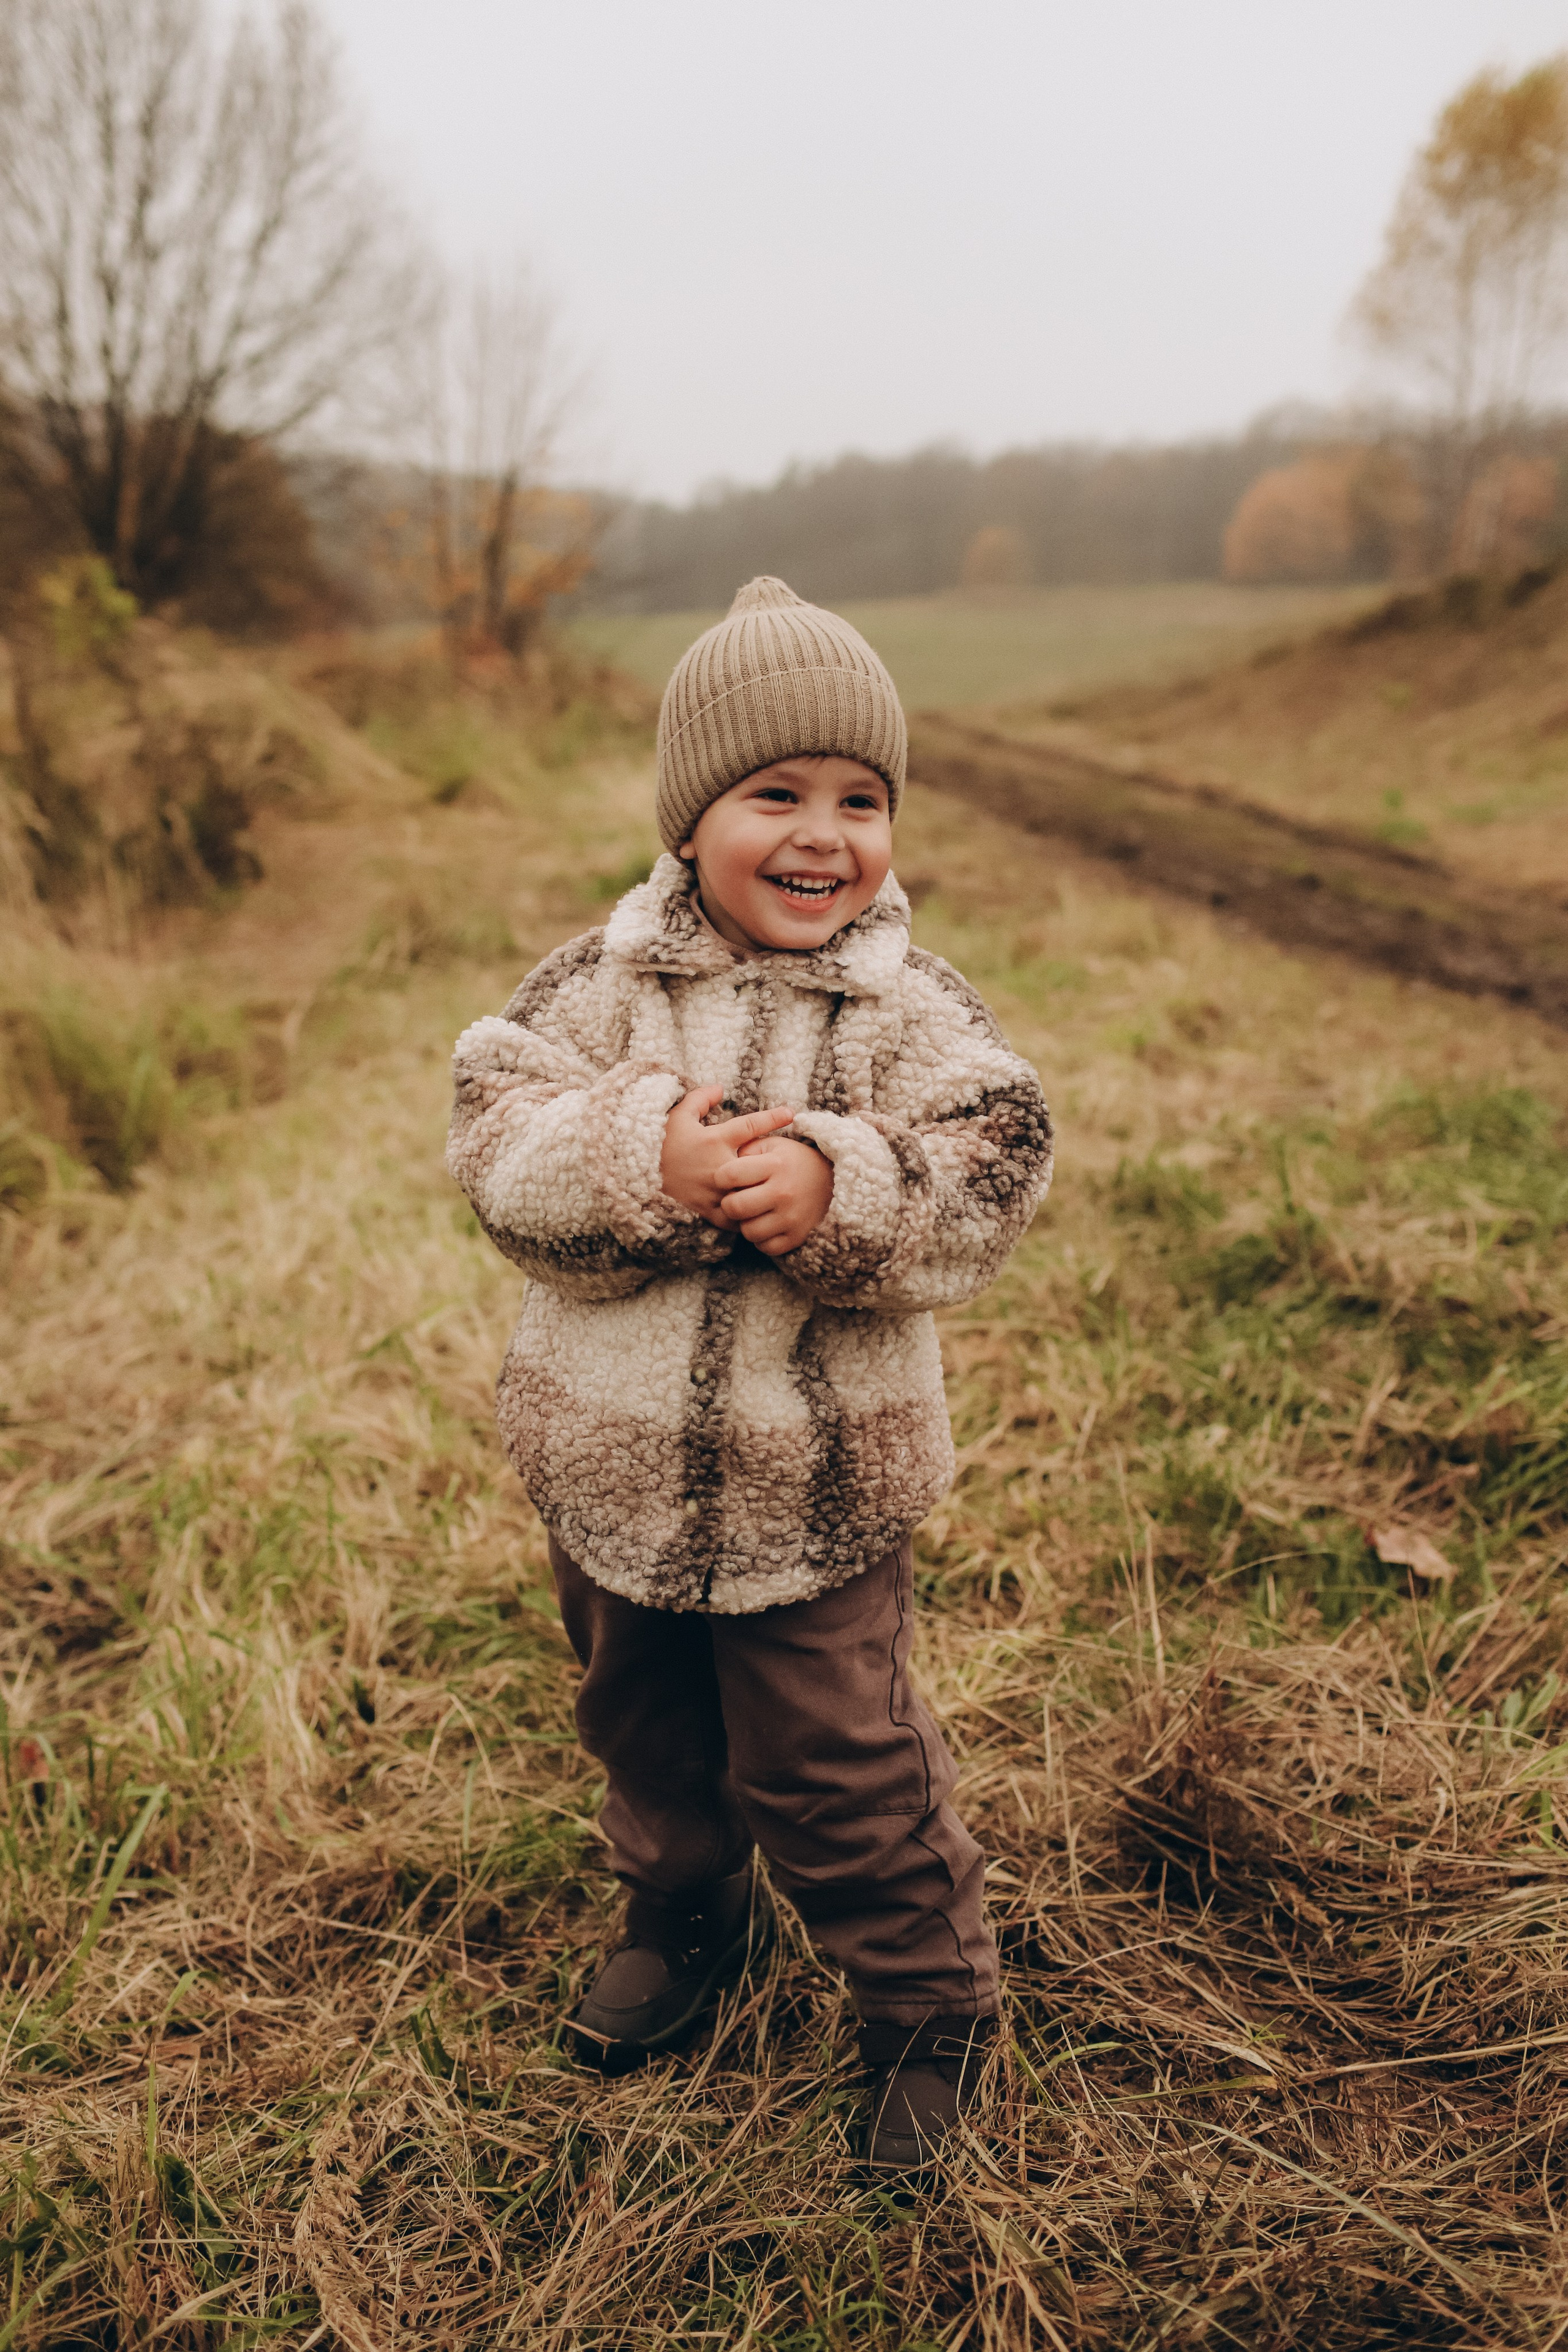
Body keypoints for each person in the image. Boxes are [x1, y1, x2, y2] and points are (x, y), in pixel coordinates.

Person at [447, 576, 1054, 2171]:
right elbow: (496, 1137)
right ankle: (682, 1908)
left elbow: (998, 1159)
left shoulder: (907, 1010)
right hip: (611, 1469)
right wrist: (632, 1156)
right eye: (775, 792)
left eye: (863, 800)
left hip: (820, 1491)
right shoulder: (596, 991)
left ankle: (928, 2002)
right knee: (640, 1723)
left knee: (835, 1755)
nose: (824, 833)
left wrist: (848, 1190)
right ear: (688, 817)